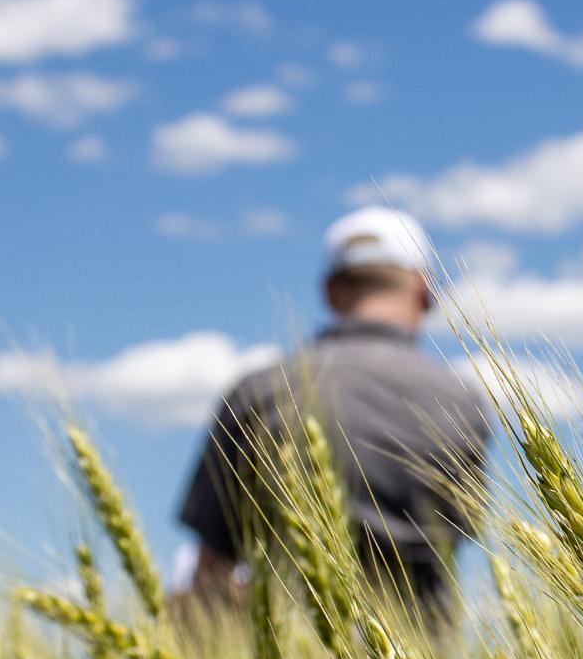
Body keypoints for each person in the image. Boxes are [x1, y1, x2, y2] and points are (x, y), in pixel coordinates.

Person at [179, 207, 489, 624]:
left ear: (328, 292)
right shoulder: (462, 404)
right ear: (423, 292)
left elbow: (211, 570)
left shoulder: (257, 392)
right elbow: (456, 536)